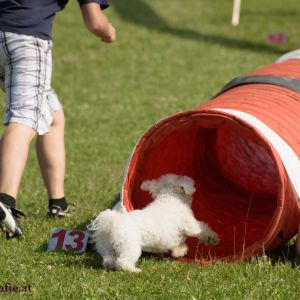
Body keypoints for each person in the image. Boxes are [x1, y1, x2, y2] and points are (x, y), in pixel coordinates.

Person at [0, 0, 116, 238]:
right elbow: (95, 22)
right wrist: (109, 33)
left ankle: (58, 203)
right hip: (26, 39)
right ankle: (4, 201)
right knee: (25, 117)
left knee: (52, 116)